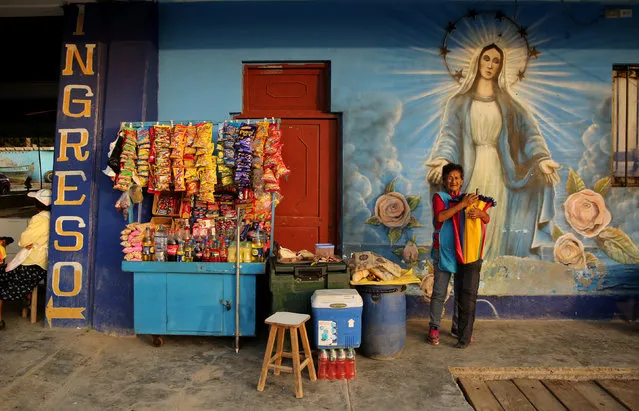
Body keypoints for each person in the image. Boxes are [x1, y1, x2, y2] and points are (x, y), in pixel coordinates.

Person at [426, 43, 560, 260]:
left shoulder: (510, 106)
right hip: (470, 168)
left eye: (496, 61)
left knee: (492, 219)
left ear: (501, 67)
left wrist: (541, 158)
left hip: (498, 170)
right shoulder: (458, 103)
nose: (490, 65)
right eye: (486, 58)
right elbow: (449, 136)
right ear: (478, 61)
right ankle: (467, 264)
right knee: (467, 217)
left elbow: (530, 134)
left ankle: (489, 265)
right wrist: (443, 160)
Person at [427, 163, 489, 346]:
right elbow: (440, 217)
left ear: (462, 181)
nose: (453, 181)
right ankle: (434, 328)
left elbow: (487, 219)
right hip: (443, 251)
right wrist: (462, 205)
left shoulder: (468, 199)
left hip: (463, 252)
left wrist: (478, 213)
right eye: (449, 178)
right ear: (444, 181)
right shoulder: (440, 197)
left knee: (462, 293)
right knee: (439, 292)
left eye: (457, 177)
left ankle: (458, 327)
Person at [0, 189, 51, 330]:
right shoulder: (52, 217)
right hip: (39, 264)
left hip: (31, 264)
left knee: (3, 279)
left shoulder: (40, 218)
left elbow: (24, 239)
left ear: (38, 204)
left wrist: (28, 242)